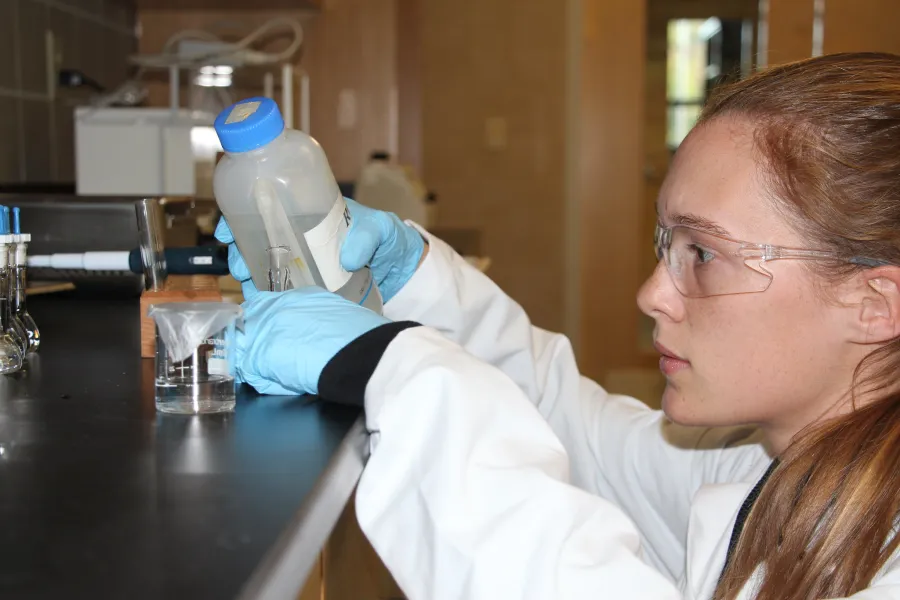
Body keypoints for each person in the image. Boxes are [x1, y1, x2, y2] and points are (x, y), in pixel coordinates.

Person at [215, 52, 900, 600]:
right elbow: (571, 433)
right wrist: (412, 281)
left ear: (875, 303)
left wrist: (396, 367)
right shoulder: (773, 466)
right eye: (667, 245)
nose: (652, 294)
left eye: (705, 254)